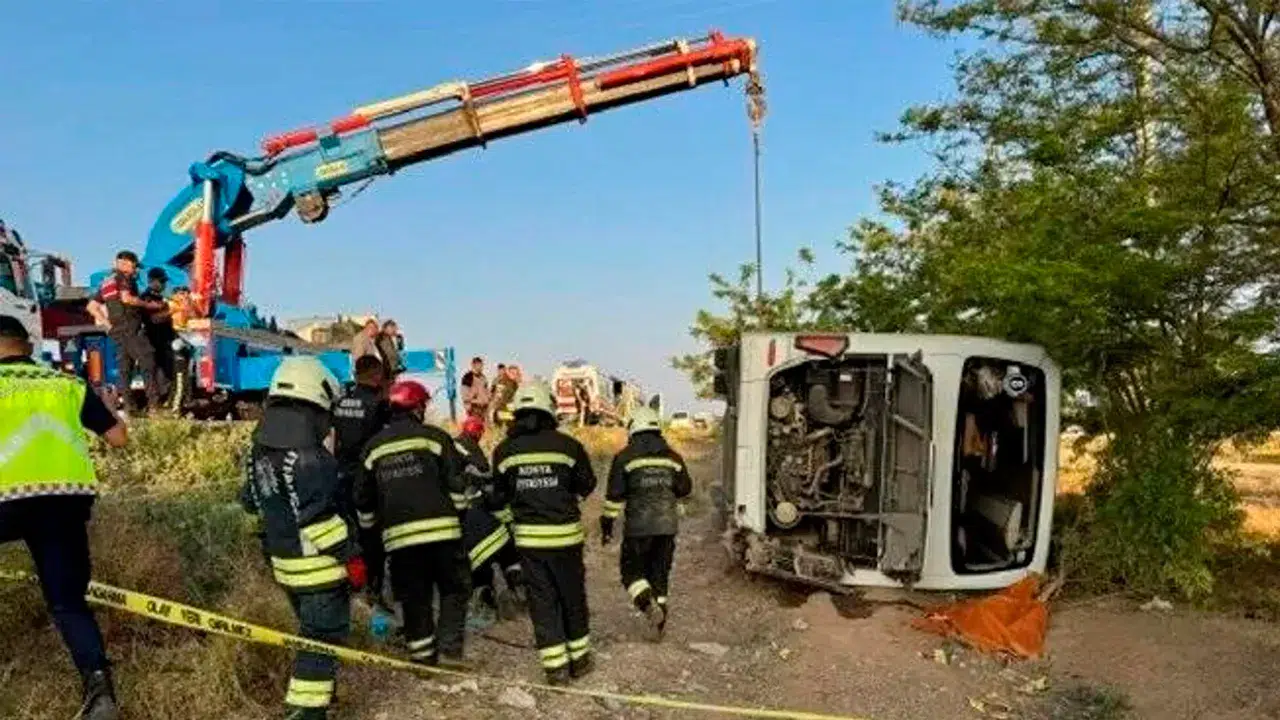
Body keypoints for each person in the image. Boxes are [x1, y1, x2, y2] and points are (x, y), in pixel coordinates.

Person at [0, 315, 128, 720]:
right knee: (68, 603)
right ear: (27, 346)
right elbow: (118, 437)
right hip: (64, 505)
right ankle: (99, 692)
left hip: (4, 501)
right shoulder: (68, 385)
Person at [240, 356, 363, 720]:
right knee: (322, 639)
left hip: (285, 566)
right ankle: (306, 712)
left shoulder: (257, 452)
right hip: (320, 569)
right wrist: (352, 557)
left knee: (311, 635)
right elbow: (320, 519)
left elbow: (251, 503)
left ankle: (321, 698)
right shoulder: (312, 458)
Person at [355, 380, 471, 668]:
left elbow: (363, 499)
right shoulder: (436, 438)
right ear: (417, 408)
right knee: (454, 589)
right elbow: (457, 485)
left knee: (414, 596)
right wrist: (459, 514)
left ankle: (422, 656)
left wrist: (372, 533)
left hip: (400, 540)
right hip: (444, 534)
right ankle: (449, 651)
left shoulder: (373, 447)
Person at [488, 381, 597, 684]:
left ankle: (555, 668)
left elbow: (497, 498)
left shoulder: (504, 451)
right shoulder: (568, 446)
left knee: (542, 600)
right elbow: (587, 484)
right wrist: (566, 495)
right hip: (566, 538)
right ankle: (580, 661)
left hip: (529, 541)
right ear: (549, 412)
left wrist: (514, 516)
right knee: (572, 596)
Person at [600, 406, 692, 641]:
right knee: (659, 574)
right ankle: (659, 624)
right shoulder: (673, 457)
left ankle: (647, 605)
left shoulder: (625, 457)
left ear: (633, 429)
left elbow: (614, 497)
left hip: (638, 528)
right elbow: (685, 488)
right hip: (667, 527)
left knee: (631, 572)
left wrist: (607, 528)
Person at [331, 355, 391, 601]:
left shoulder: (340, 402)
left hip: (341, 475)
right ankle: (373, 588)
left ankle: (353, 584)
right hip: (368, 479)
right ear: (377, 375)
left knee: (349, 532)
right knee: (372, 535)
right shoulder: (379, 405)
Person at [454, 415, 524, 624]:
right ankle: (520, 593)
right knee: (510, 559)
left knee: (480, 576)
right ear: (478, 433)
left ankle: (487, 602)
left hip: (472, 550)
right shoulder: (474, 454)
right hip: (498, 535)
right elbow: (487, 479)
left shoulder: (450, 449)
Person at [89, 251, 168, 414]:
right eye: (134, 266)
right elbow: (126, 298)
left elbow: (91, 307)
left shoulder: (106, 282)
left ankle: (129, 407)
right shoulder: (124, 278)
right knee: (148, 360)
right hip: (131, 326)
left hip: (117, 330)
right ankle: (154, 406)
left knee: (125, 369)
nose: (135, 270)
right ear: (125, 263)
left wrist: (107, 325)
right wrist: (149, 305)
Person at [139, 268, 177, 407]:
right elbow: (153, 319)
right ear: (152, 281)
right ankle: (157, 403)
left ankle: (167, 401)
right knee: (156, 372)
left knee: (168, 373)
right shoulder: (145, 298)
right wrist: (171, 311)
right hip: (153, 341)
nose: (164, 285)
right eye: (162, 282)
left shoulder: (163, 298)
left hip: (165, 341)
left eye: (164, 282)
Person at [459, 356, 491, 423]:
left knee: (486, 427)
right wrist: (476, 401)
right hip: (473, 409)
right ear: (473, 365)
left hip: (484, 409)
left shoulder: (483, 377)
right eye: (479, 365)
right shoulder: (467, 377)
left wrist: (488, 398)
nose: (481, 367)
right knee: (475, 427)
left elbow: (487, 391)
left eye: (481, 365)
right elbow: (465, 397)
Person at [490, 364, 519, 428]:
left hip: (509, 408)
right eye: (512, 373)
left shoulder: (515, 384)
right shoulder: (502, 382)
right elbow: (497, 398)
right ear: (508, 372)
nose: (514, 375)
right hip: (501, 409)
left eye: (516, 373)